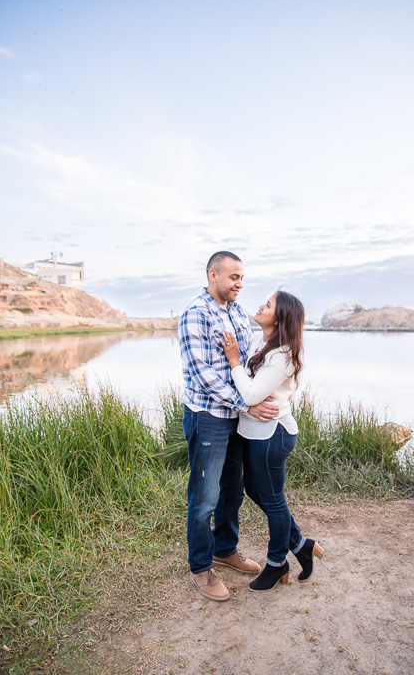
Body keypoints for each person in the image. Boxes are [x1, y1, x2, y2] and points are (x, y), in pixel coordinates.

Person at [178, 251, 280, 601]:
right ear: (213, 275)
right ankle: (201, 567)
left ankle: (225, 549)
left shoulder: (237, 313)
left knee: (233, 491)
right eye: (233, 277)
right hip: (207, 417)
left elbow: (248, 362)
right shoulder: (195, 313)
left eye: (242, 278)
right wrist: (246, 403)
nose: (239, 283)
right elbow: (203, 375)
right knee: (204, 497)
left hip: (237, 417)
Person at [220, 290, 324, 592]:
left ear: (279, 318)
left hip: (273, 435)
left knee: (273, 500)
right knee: (256, 491)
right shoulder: (261, 341)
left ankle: (277, 563)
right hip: (256, 432)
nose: (260, 306)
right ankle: (300, 544)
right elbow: (253, 390)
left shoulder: (282, 354)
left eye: (268, 305)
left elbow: (251, 395)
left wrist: (233, 360)